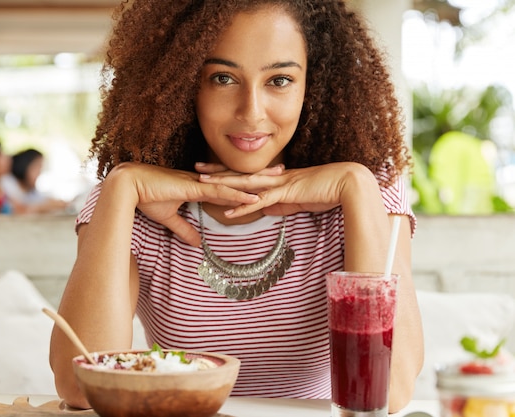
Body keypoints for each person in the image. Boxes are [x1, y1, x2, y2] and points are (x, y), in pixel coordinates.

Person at [49, 0, 424, 412]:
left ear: (312, 87)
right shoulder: (130, 204)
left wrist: (356, 185)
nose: (251, 112)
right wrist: (121, 186)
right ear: (183, 81)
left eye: (279, 80)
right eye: (223, 78)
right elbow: (78, 387)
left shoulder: (367, 192)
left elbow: (390, 393)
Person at [0, 148, 68, 214]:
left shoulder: (31, 190)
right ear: (25, 165)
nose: (39, 173)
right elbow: (21, 210)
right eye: (37, 167)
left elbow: (43, 199)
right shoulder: (7, 182)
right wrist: (44, 207)